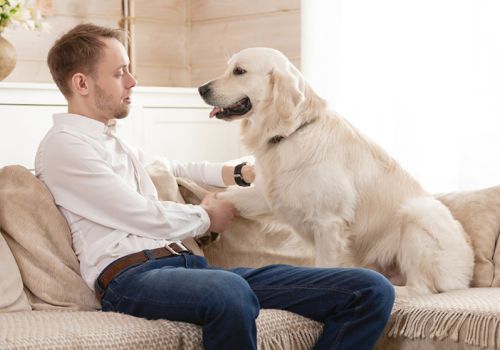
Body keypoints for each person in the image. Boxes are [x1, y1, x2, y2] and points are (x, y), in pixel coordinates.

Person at [36, 23, 395, 350]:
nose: (132, 81)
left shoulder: (111, 141)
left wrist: (236, 173)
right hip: (130, 278)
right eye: (119, 73)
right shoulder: (65, 147)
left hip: (186, 267)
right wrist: (206, 218)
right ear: (81, 83)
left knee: (369, 288)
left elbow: (168, 167)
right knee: (229, 290)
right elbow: (138, 214)